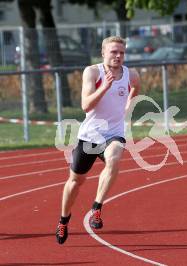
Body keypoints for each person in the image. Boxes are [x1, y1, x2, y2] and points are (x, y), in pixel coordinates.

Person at [55, 36, 140, 244]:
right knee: (75, 181)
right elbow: (86, 106)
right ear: (103, 53)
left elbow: (136, 89)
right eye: (113, 52)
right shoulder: (92, 72)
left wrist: (127, 107)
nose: (118, 56)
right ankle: (63, 220)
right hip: (89, 136)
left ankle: (97, 208)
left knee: (114, 158)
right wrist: (104, 87)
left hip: (114, 133)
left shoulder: (131, 74)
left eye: (121, 52)